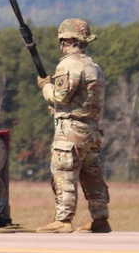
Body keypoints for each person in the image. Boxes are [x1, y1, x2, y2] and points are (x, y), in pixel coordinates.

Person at [35, 18, 111, 233]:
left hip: (71, 132)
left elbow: (60, 96)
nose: (61, 46)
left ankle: (63, 219)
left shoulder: (69, 65)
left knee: (64, 172)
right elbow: (82, 100)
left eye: (62, 41)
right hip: (92, 131)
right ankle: (100, 218)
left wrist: (45, 87)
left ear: (68, 40)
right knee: (92, 176)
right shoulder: (94, 66)